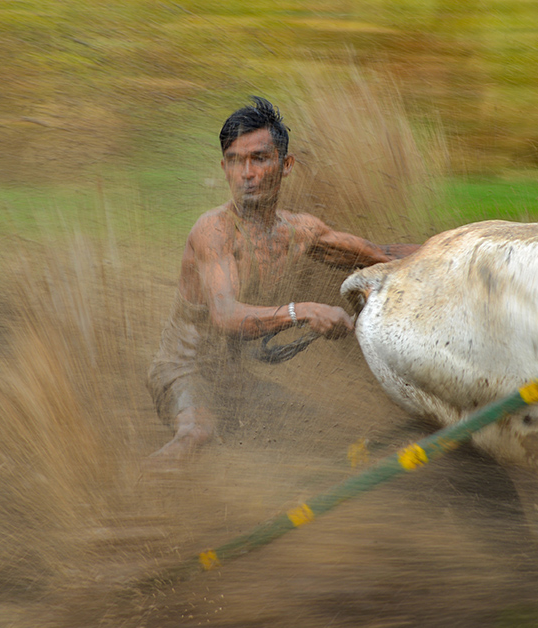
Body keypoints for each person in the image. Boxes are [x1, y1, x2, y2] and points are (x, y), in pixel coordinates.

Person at [147, 97, 417, 459]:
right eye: (235, 161)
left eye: (259, 158)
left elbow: (380, 255)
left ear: (285, 165)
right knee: (198, 433)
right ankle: (131, 506)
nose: (247, 173)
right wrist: (302, 311)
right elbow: (225, 314)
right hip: (183, 370)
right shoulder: (215, 230)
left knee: (330, 435)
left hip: (234, 381)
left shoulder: (301, 232)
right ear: (224, 168)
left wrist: (459, 249)